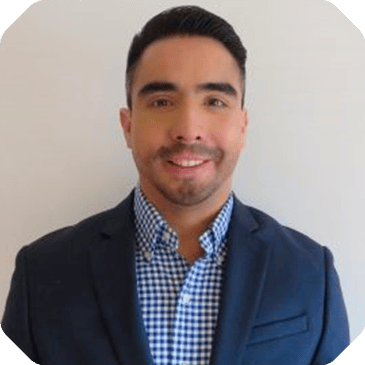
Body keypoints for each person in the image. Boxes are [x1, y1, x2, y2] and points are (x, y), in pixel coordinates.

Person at [1, 5, 349, 365]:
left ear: (242, 126)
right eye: (162, 101)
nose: (188, 128)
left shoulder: (310, 273)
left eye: (214, 101)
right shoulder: (42, 273)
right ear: (128, 126)